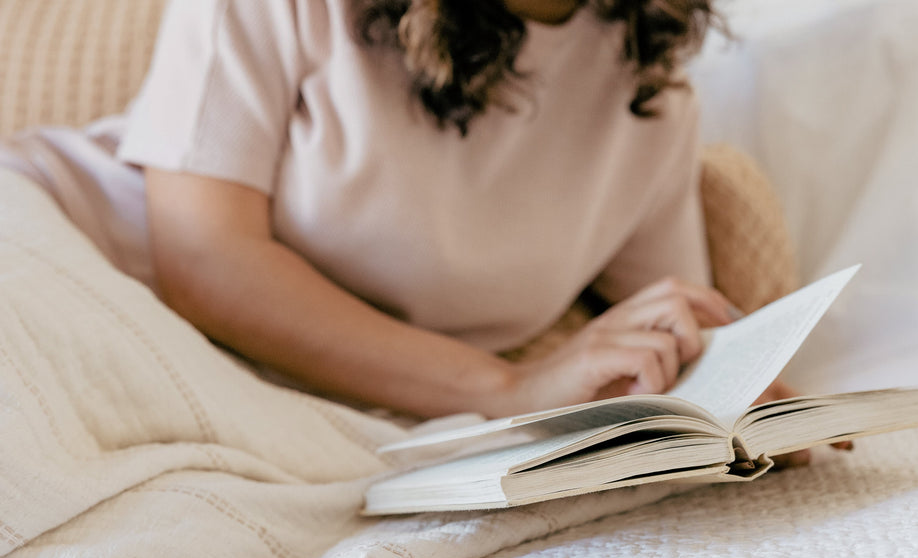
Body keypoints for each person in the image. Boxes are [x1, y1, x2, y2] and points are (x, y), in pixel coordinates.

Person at [2, 0, 825, 460]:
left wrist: (730, 399)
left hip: (284, 414)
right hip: (58, 256)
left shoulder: (650, 98)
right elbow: (203, 259)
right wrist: (507, 389)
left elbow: (670, 332)